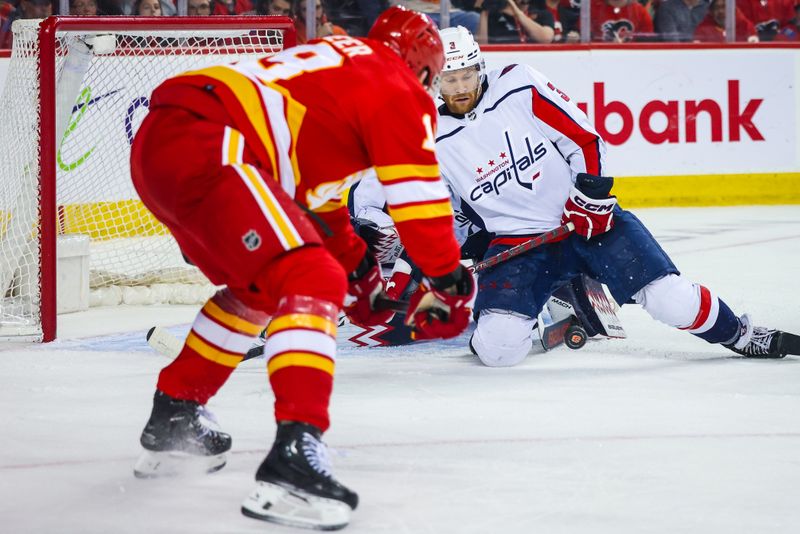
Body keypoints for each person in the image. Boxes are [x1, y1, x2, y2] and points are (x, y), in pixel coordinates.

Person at [129, 6, 474, 530]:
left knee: (263, 288)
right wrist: (447, 278)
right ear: (424, 69)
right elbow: (420, 199)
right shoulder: (394, 81)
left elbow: (323, 209)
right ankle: (294, 459)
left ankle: (176, 416)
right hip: (213, 144)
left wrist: (365, 283)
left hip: (166, 144)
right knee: (313, 278)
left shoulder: (340, 71)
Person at [434, 26, 798, 368]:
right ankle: (538, 310)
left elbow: (585, 139)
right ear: (437, 80)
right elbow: (447, 211)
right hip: (519, 243)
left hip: (584, 221)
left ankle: (741, 333)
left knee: (669, 299)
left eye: (467, 73)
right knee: (497, 352)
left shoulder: (517, 84)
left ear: (480, 67)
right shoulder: (430, 136)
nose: (461, 85)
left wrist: (589, 197)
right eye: (451, 78)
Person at [477, 0, 556, 43]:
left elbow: (546, 38)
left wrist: (517, 13)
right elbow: (482, 45)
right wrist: (485, 10)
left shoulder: (542, 14)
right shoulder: (494, 15)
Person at [693, 0, 759, 42]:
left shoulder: (746, 26)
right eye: (716, 7)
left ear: (733, 8)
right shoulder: (702, 30)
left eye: (724, 6)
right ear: (711, 11)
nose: (720, 11)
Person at [590, 0, 654, 41]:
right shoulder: (591, 7)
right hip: (599, 57)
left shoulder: (640, 12)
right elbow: (583, 37)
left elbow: (647, 42)